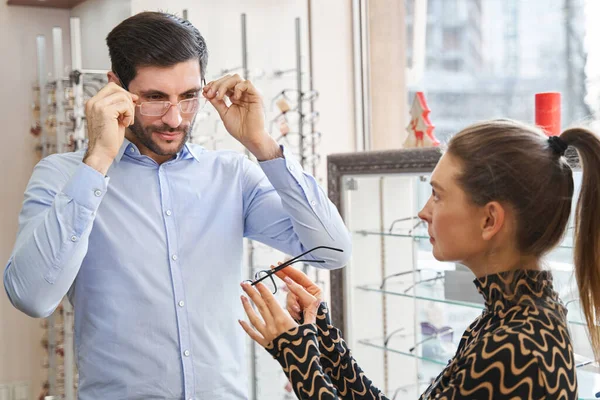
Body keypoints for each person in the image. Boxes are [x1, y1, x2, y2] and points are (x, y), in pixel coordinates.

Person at [4, 11, 351, 400]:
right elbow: (32, 297)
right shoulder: (63, 177)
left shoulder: (233, 175)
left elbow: (333, 251)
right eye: (154, 98)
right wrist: (98, 159)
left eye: (188, 98)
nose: (174, 119)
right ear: (115, 88)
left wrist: (261, 144)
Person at [240, 119, 600, 399]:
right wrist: (321, 335)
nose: (422, 211)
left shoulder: (513, 347)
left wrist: (299, 358)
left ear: (489, 220)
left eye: (438, 196)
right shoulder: (509, 318)